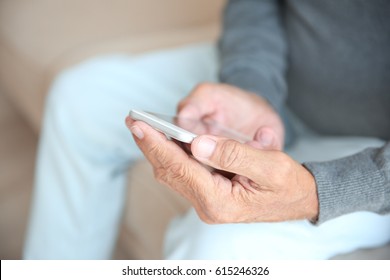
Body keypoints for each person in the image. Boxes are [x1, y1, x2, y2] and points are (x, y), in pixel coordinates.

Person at [24, 0, 390, 259]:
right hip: (280, 77)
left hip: (373, 156)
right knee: (81, 97)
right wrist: (251, 86)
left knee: (215, 245)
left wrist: (317, 192)